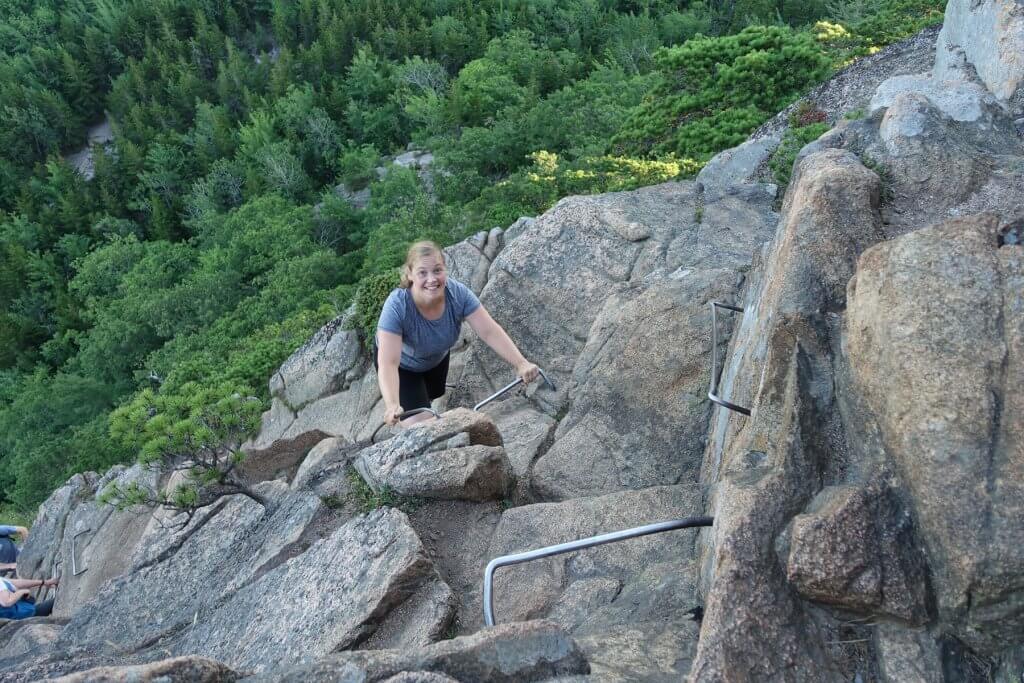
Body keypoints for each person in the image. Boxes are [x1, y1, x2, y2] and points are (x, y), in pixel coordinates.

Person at [376, 240, 540, 427]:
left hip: (435, 359)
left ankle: (420, 400)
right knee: (422, 427)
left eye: (437, 270)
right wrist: (392, 404)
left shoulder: (458, 295)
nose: (431, 279)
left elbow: (489, 331)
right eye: (423, 273)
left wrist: (521, 363)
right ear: (410, 274)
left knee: (433, 396)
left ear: (445, 270)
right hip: (403, 369)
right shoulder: (398, 306)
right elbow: (389, 363)